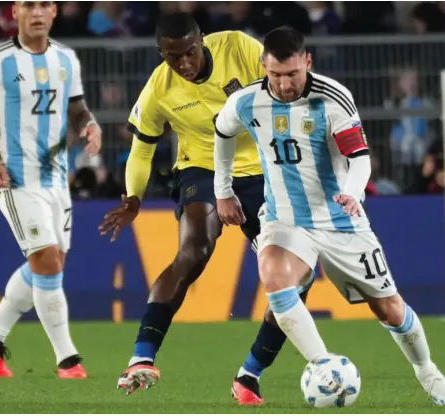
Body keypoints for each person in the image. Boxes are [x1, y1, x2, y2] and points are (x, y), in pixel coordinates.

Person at [213, 26, 445, 407]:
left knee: (389, 307)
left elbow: (359, 157)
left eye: (292, 74)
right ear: (264, 65)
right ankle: (323, 365)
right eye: (276, 75)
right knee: (273, 273)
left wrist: (354, 191)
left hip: (340, 219)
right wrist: (223, 188)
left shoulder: (332, 98)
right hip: (285, 219)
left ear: (307, 62)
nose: (284, 84)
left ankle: (427, 371)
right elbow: (222, 130)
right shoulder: (246, 101)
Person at [98, 12, 311, 404]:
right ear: (160, 53)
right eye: (173, 57)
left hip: (263, 170)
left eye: (190, 52)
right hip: (202, 168)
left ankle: (249, 375)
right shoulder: (159, 89)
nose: (184, 63)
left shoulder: (238, 47)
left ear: (202, 40)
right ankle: (141, 356)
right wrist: (133, 198)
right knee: (194, 248)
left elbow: (284, 89)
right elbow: (141, 150)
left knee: (295, 277)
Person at [0, 0, 102, 379]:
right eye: (28, 5)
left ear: (54, 11)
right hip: (15, 179)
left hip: (57, 178)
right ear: (15, 12)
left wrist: (90, 124)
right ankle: (68, 360)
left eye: (44, 5)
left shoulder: (67, 59)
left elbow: (77, 106)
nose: (36, 12)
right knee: (47, 261)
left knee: (49, 264)